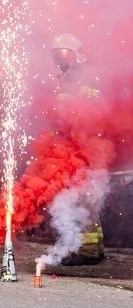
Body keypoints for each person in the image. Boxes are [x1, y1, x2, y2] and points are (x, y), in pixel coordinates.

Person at [50, 33, 106, 265]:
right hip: (77, 144)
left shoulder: (83, 77)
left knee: (83, 197)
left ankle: (89, 251)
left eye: (64, 53)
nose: (59, 58)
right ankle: (95, 246)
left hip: (83, 145)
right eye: (56, 53)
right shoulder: (68, 77)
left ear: (77, 54)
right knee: (85, 196)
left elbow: (87, 112)